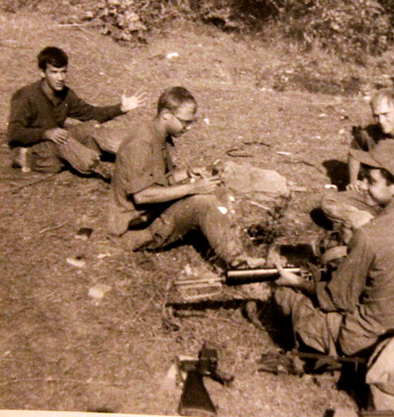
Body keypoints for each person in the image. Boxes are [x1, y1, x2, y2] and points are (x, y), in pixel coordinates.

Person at [273, 139, 394, 417]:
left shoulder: (370, 234)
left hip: (372, 342)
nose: (363, 185)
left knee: (285, 297)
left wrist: (297, 282)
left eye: (371, 180)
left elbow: (335, 300)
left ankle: (342, 363)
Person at [108, 86, 262, 268]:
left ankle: (231, 241)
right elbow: (142, 196)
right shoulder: (141, 144)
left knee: (216, 189)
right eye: (185, 122)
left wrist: (189, 173)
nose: (188, 128)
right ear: (166, 114)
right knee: (203, 203)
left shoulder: (157, 135)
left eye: (192, 122)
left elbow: (162, 179)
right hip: (134, 231)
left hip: (151, 214)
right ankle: (239, 264)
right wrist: (192, 188)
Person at [320, 88, 394, 243]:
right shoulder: (370, 133)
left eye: (386, 114)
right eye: (376, 116)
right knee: (328, 202)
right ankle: (373, 225)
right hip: (375, 196)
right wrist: (353, 180)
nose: (381, 121)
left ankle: (371, 228)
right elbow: (354, 151)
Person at [8, 46, 146, 178]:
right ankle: (106, 170)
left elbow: (91, 113)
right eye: (54, 72)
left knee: (91, 126)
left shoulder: (66, 94)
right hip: (33, 151)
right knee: (63, 139)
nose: (60, 78)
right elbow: (14, 133)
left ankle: (140, 151)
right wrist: (45, 133)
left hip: (55, 142)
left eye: (63, 71)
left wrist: (120, 108)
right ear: (42, 72)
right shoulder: (26, 96)